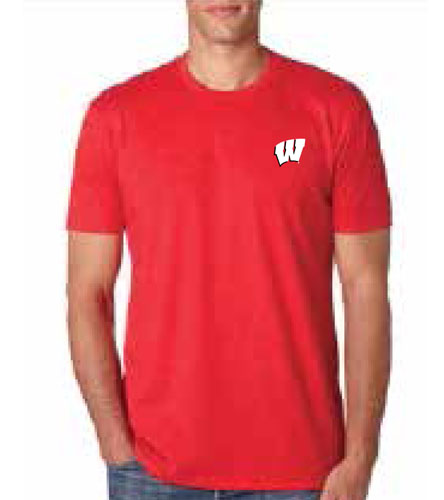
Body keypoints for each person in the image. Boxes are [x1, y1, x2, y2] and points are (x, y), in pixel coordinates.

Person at [65, 1, 392, 499]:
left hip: (304, 472)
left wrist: (361, 455)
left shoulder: (336, 109)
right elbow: (87, 292)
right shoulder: (115, 117)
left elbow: (365, 287)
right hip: (153, 470)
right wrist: (115, 442)